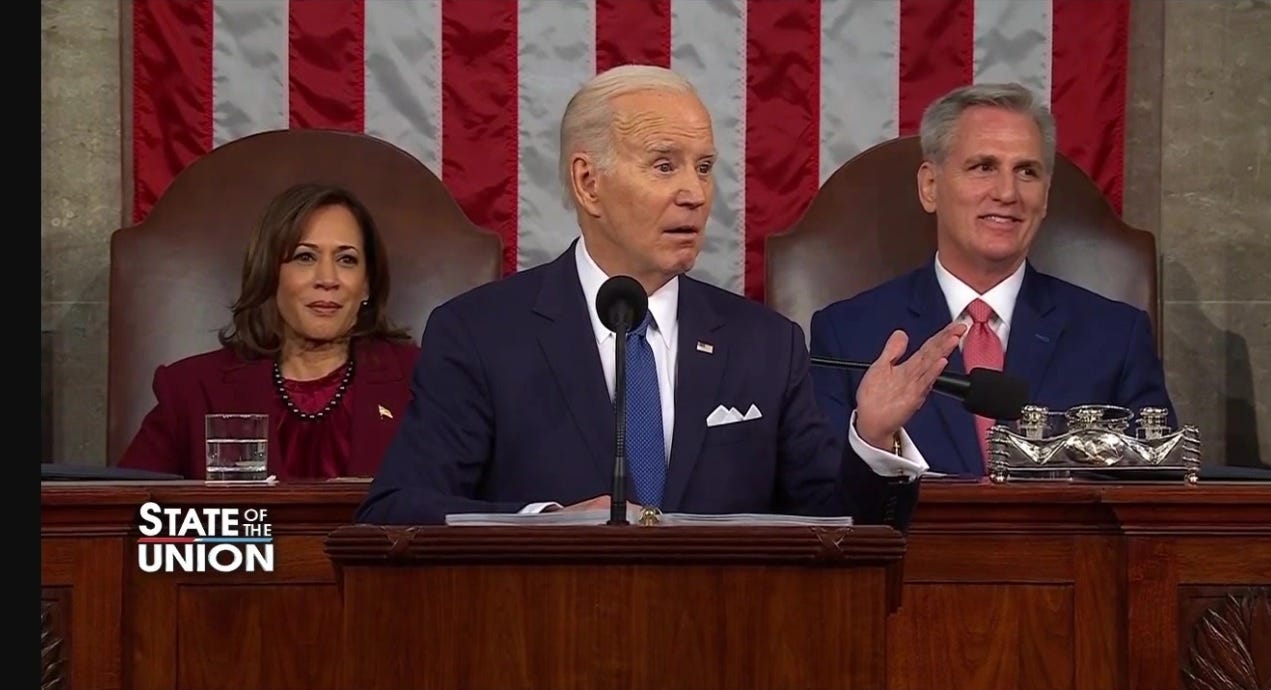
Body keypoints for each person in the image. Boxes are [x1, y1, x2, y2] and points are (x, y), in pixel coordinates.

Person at [356, 65, 964, 526]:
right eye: (664, 165)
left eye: (704, 167)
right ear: (588, 182)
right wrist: (548, 525)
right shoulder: (481, 333)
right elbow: (397, 509)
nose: (695, 194)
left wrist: (872, 440)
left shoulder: (765, 345)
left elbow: (836, 527)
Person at [810, 83, 1176, 478]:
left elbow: (1158, 493)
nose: (1007, 192)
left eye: (1027, 172)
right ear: (930, 187)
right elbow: (821, 497)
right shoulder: (849, 334)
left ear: (1045, 196)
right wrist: (871, 438)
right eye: (984, 167)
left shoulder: (1116, 337)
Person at [118, 183, 421, 480]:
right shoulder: (192, 390)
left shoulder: (421, 381)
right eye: (305, 257)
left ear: (366, 284)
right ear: (270, 273)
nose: (328, 279)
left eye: (346, 259)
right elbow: (133, 506)